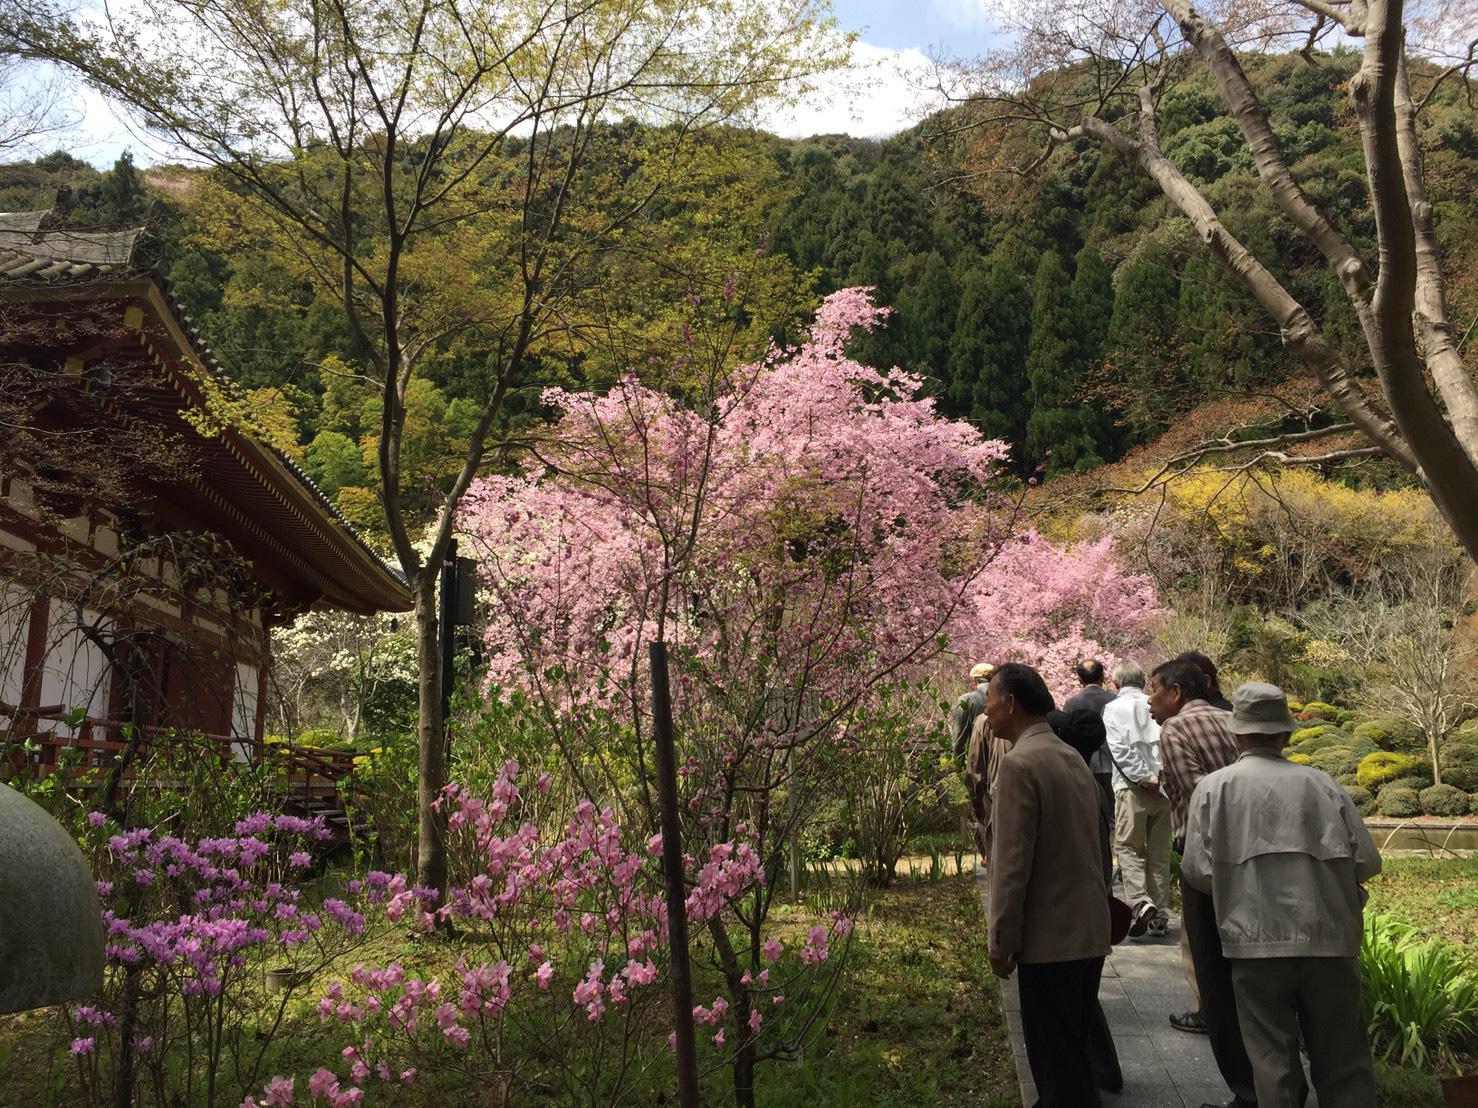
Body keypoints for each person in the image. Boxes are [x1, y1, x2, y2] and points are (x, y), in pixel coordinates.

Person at [1183, 682, 1380, 1108]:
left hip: (1253, 940)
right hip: (1329, 939)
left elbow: (1197, 871)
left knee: (1272, 1064)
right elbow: (1367, 861)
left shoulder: (1215, 788)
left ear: (1236, 734)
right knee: (1345, 1062)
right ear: (1286, 733)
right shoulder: (1322, 784)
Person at [1151, 658, 1300, 1108]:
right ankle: (1279, 1084)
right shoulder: (1230, 720)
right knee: (1255, 975)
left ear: (1176, 692)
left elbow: (1202, 793)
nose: (1150, 701)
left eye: (1155, 691)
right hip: (1259, 853)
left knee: (1215, 978)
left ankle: (1247, 1091)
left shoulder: (1175, 729)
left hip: (1210, 858)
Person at [988, 664, 1111, 1108]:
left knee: (1056, 1067)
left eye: (989, 701)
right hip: (1087, 932)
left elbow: (1011, 864)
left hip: (1050, 940)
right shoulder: (1070, 756)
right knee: (1072, 1056)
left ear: (1010, 703)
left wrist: (1002, 938)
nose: (986, 711)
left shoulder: (1019, 764)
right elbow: (1099, 844)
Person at [1048, 705, 1124, 1096]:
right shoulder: (1090, 782)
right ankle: (1106, 1072)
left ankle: (1090, 1081)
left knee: (1073, 1003)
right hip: (1095, 901)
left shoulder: (1069, 780)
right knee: (1084, 998)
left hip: (1073, 909)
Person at [1102, 660, 1170, 939]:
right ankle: (1160, 917)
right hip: (1164, 788)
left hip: (1131, 788)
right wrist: (1159, 776)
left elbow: (1119, 749)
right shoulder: (1157, 703)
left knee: (1128, 847)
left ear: (1115, 683)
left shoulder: (1112, 708)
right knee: (1159, 853)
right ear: (1142, 682)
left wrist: (1143, 777)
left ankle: (1141, 901)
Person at [1063, 659, 1117, 823]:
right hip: (1115, 763)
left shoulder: (1072, 703)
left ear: (1080, 680)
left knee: (1094, 815)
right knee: (1118, 815)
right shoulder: (1115, 700)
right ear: (1102, 676)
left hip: (1085, 764)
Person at [958, 663, 999, 860]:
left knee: (980, 810)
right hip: (1004, 760)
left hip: (978, 761)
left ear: (974, 681)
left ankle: (987, 855)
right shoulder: (1005, 698)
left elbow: (958, 738)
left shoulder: (967, 700)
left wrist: (958, 764)